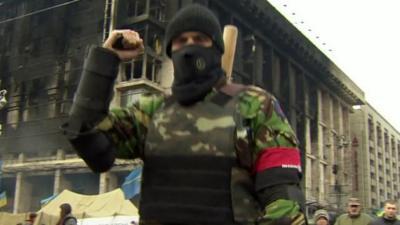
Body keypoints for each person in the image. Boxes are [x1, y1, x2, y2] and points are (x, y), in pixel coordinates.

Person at [65, 4, 306, 225]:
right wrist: (105, 59)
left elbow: (284, 202)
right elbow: (88, 135)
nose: (190, 46)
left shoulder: (256, 106)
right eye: (181, 40)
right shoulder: (151, 112)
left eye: (200, 39)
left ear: (216, 47)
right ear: (171, 50)